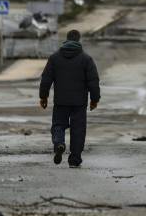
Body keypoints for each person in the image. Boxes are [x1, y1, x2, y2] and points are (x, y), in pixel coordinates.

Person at [39, 29, 101, 168]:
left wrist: (43, 96)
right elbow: (93, 81)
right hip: (79, 103)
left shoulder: (54, 58)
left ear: (66, 40)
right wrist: (94, 99)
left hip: (61, 101)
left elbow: (46, 79)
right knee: (78, 129)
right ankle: (74, 159)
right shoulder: (86, 59)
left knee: (58, 125)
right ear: (79, 40)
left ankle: (59, 143)